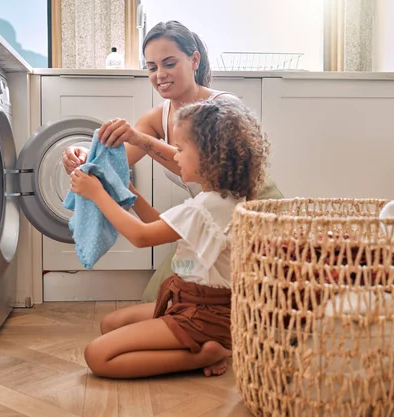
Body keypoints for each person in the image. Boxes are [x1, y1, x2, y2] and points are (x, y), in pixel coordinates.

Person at [62, 20, 284, 302]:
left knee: (254, 294)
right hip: (206, 215)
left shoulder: (223, 108)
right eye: (152, 67)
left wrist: (141, 139)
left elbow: (208, 169)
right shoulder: (156, 117)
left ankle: (223, 338)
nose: (160, 75)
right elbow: (113, 165)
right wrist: (82, 157)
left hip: (253, 208)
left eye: (169, 63)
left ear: (194, 60)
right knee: (156, 299)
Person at [68, 99, 269, 379]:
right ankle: (204, 348)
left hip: (205, 315)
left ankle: (205, 353)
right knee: (110, 324)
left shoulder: (207, 206)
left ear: (209, 157)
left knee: (97, 356)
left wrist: (96, 194)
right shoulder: (221, 200)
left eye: (181, 149)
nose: (174, 155)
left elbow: (141, 235)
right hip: (195, 304)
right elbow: (156, 223)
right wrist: (126, 188)